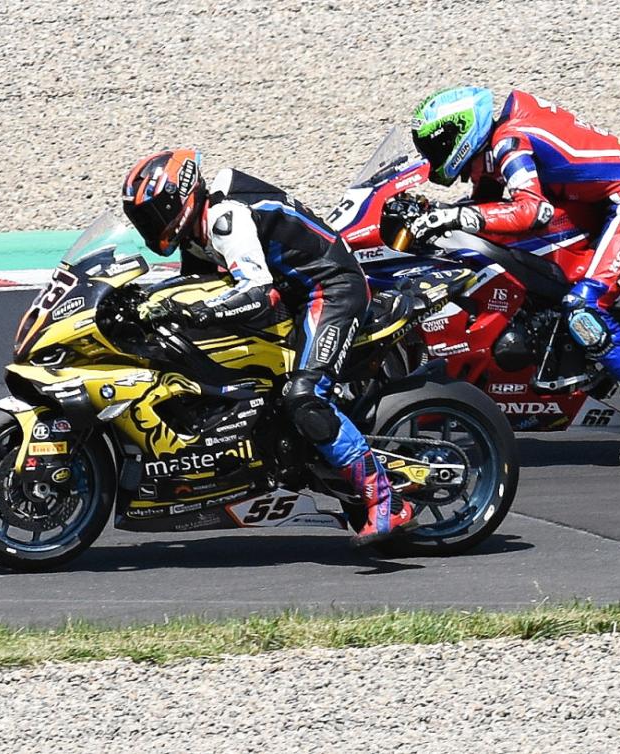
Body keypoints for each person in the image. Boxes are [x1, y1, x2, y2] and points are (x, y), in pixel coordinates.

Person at [121, 149, 416, 544]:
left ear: (180, 201)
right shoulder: (194, 232)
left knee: (305, 396)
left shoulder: (226, 219)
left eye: (153, 214)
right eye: (141, 219)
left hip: (329, 289)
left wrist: (197, 313)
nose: (149, 225)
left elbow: (258, 293)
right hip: (293, 295)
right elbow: (197, 288)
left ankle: (386, 500)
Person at [407, 87, 620, 465]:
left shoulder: (509, 142)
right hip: (592, 200)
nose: (431, 156)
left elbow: (533, 211)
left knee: (583, 306)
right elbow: (485, 206)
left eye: (434, 146)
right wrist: (434, 212)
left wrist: (453, 216)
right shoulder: (493, 146)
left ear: (460, 133)